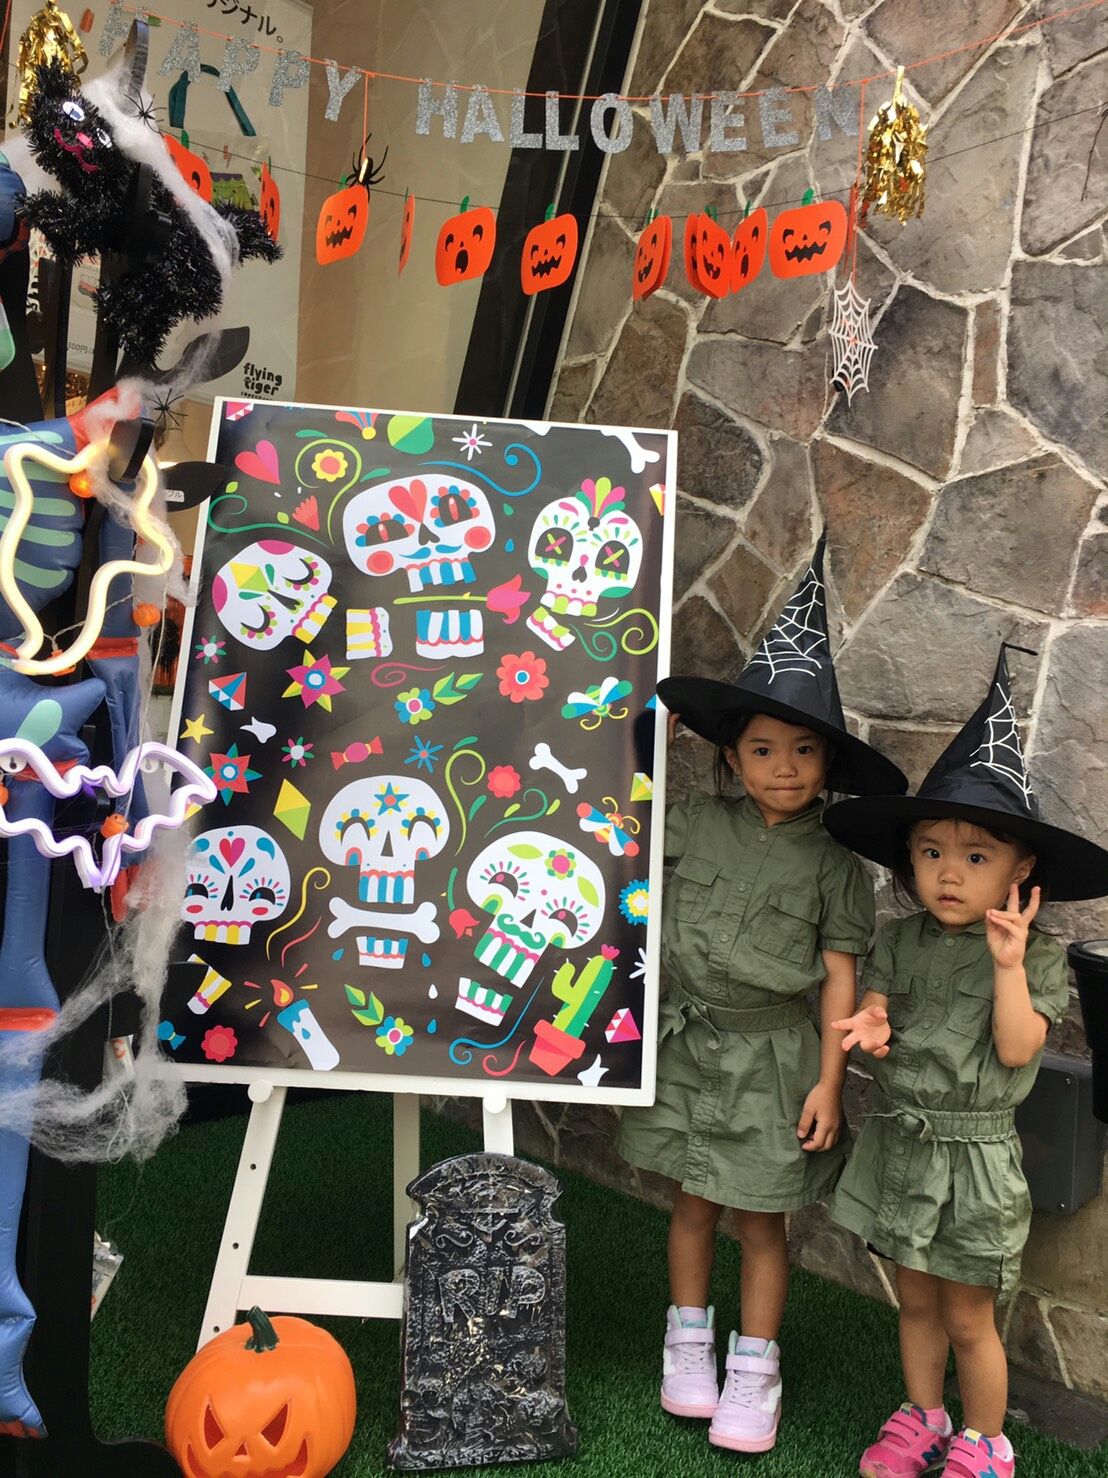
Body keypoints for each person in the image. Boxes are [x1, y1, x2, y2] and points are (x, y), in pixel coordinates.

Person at [617, 536, 908, 1454]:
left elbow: (840, 978)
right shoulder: (693, 822)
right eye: (763, 748)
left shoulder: (836, 863)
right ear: (732, 758)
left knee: (760, 1218)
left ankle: (755, 1367)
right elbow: (619, 828)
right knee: (691, 1204)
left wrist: (830, 1082)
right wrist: (647, 746)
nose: (784, 766)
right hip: (685, 1046)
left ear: (828, 764)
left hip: (775, 1062)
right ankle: (687, 1345)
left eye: (804, 750)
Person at [823, 649, 1108, 1478]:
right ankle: (922, 1417)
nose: (950, 873)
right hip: (902, 1145)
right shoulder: (899, 939)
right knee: (914, 1298)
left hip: (976, 1159)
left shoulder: (1034, 956)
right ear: (908, 860)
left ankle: (985, 1442)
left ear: (1023, 870)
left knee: (968, 1315)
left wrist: (1009, 965)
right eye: (931, 852)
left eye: (977, 856)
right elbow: (879, 1012)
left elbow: (1018, 1049)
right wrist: (871, 1027)